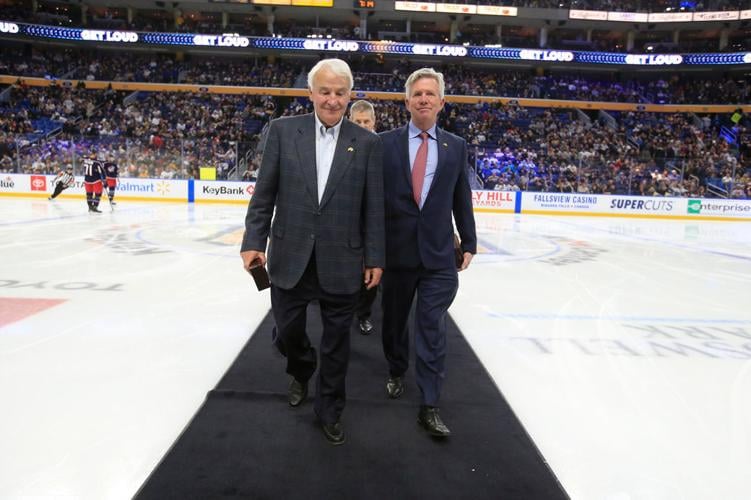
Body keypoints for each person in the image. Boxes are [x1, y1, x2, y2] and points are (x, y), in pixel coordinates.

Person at [240, 59, 385, 446]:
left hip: (343, 260)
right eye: (325, 91)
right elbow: (264, 193)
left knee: (337, 344)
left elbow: (374, 208)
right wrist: (253, 241)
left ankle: (330, 408)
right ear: (311, 93)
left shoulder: (369, 143)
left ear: (349, 95)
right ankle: (301, 369)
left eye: (340, 93)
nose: (333, 100)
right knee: (287, 333)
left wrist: (375, 258)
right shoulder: (283, 132)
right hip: (289, 257)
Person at [379, 67, 477, 438]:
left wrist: (468, 240)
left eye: (430, 94)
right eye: (417, 94)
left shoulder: (456, 146)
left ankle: (430, 403)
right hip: (396, 254)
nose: (423, 99)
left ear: (441, 103)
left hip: (437, 257)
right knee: (393, 322)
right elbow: (373, 201)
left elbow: (461, 198)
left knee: (432, 327)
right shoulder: (384, 144)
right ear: (407, 102)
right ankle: (395, 367)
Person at [348, 99, 378, 335]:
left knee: (370, 274)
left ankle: (364, 314)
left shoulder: (383, 146)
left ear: (373, 122)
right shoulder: (339, 145)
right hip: (345, 223)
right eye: (357, 121)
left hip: (374, 224)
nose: (362, 125)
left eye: (366, 121)